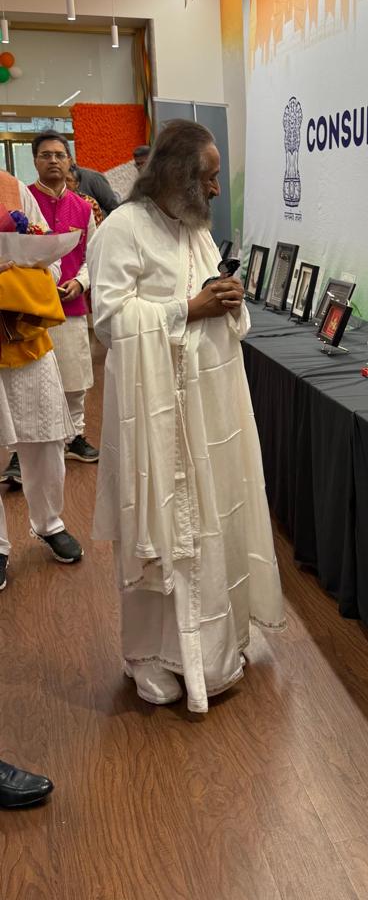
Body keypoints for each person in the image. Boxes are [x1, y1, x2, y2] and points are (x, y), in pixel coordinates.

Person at [87, 119, 285, 712]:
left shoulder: (195, 228)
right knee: (163, 530)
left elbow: (209, 292)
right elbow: (109, 319)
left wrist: (225, 299)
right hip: (155, 418)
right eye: (210, 175)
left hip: (210, 402)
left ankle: (215, 649)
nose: (218, 188)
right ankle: (150, 656)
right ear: (178, 175)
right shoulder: (123, 229)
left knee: (213, 519)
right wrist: (188, 308)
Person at [0, 170, 83, 570]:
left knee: (46, 440)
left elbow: (49, 258)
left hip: (25, 335)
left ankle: (49, 523)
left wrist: (14, 272)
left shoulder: (11, 187)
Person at [21, 131, 98, 465]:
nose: (53, 160)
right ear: (35, 160)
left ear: (69, 162)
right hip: (29, 308)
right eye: (45, 155)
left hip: (71, 305)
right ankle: (22, 448)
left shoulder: (83, 208)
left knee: (74, 376)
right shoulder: (19, 202)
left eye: (59, 155)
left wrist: (81, 283)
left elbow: (93, 256)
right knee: (25, 377)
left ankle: (75, 436)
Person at [66, 160, 103, 228]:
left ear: (77, 184)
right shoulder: (55, 201)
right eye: (62, 179)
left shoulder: (90, 203)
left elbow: (96, 230)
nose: (64, 183)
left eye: (68, 180)